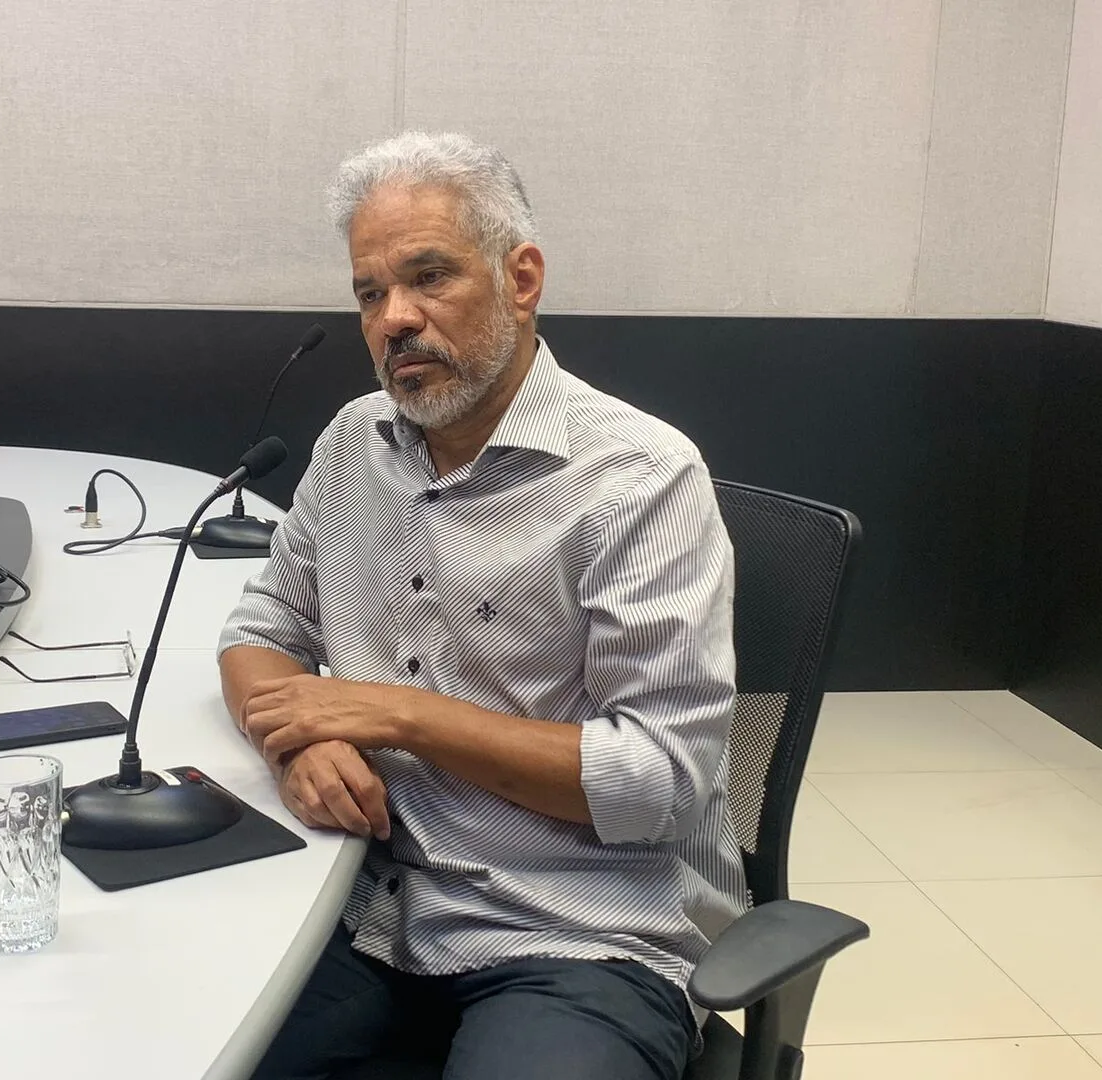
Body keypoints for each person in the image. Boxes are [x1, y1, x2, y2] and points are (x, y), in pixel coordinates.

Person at [218, 131, 747, 1080]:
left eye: (429, 276)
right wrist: (298, 738)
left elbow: (662, 783)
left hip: (577, 930)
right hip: (367, 897)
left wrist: (396, 714)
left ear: (522, 276)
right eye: (370, 293)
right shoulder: (354, 444)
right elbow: (261, 632)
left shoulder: (638, 479)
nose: (395, 319)